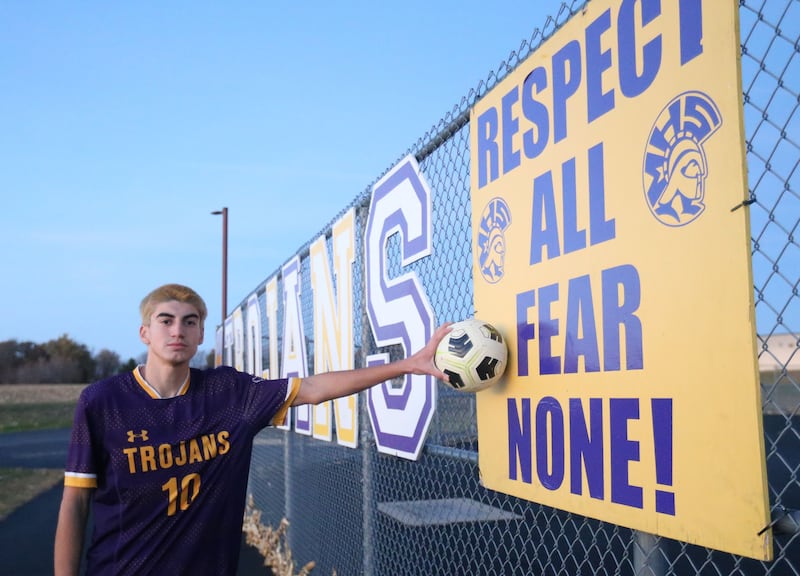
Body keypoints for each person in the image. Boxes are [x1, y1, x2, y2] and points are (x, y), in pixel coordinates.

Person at [54, 283, 451, 575]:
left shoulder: (229, 393)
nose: (177, 331)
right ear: (145, 332)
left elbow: (312, 389)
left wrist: (406, 365)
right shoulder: (103, 401)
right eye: (166, 321)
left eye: (189, 322)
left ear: (199, 335)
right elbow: (75, 501)